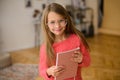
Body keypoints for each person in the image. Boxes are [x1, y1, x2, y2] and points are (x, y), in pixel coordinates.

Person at [39, 3, 90, 80]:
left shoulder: (77, 39)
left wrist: (81, 59)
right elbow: (42, 70)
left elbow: (87, 61)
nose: (57, 26)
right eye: (52, 22)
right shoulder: (45, 47)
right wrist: (49, 72)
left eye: (61, 21)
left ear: (66, 20)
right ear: (47, 25)